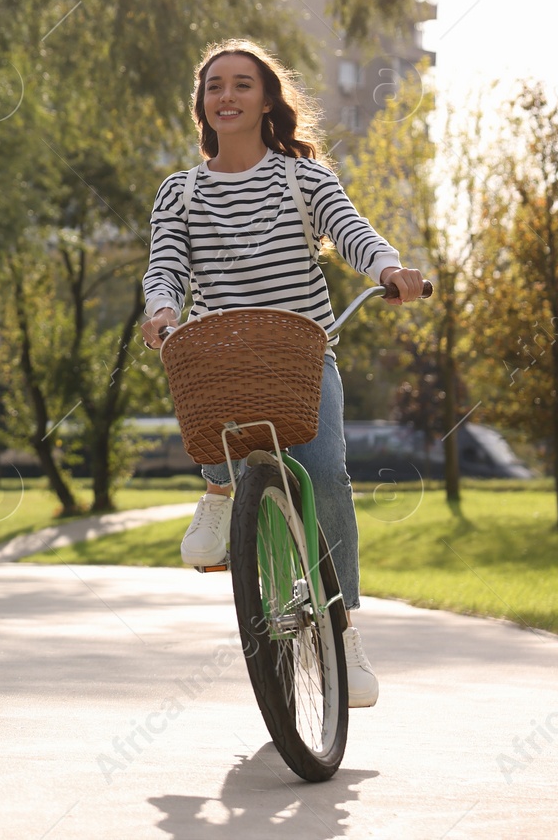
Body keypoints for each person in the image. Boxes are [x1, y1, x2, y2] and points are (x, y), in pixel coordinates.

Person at [139, 39, 426, 708]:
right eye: (215, 86)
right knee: (197, 378)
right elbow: (166, 268)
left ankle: (345, 636)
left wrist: (388, 270)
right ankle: (218, 488)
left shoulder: (302, 177)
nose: (227, 96)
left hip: (301, 355)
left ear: (267, 100)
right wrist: (159, 310)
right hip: (219, 355)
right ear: (202, 105)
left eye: (242, 84)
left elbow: (351, 229)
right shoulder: (179, 192)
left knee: (325, 473)